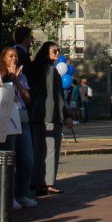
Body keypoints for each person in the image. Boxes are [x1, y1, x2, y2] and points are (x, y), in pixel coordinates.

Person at [0, 44, 37, 209]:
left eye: (16, 56)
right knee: (9, 158)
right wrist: (10, 78)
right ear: (4, 59)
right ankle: (9, 196)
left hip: (22, 117)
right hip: (7, 120)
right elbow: (1, 96)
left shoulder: (22, 77)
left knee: (27, 158)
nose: (14, 59)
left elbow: (27, 98)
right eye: (11, 56)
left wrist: (19, 82)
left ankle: (23, 194)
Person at [27, 41, 66, 194]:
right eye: (54, 51)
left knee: (37, 149)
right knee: (50, 148)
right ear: (46, 53)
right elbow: (56, 95)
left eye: (58, 51)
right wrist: (64, 114)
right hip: (50, 114)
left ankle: (35, 181)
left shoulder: (34, 69)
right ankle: (47, 182)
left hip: (36, 113)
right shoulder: (51, 70)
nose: (57, 54)